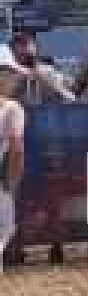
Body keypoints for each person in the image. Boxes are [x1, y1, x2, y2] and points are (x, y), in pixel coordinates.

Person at [0, 46, 26, 272]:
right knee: (5, 229)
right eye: (11, 73)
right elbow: (17, 149)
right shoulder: (11, 108)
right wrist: (11, 182)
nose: (15, 79)